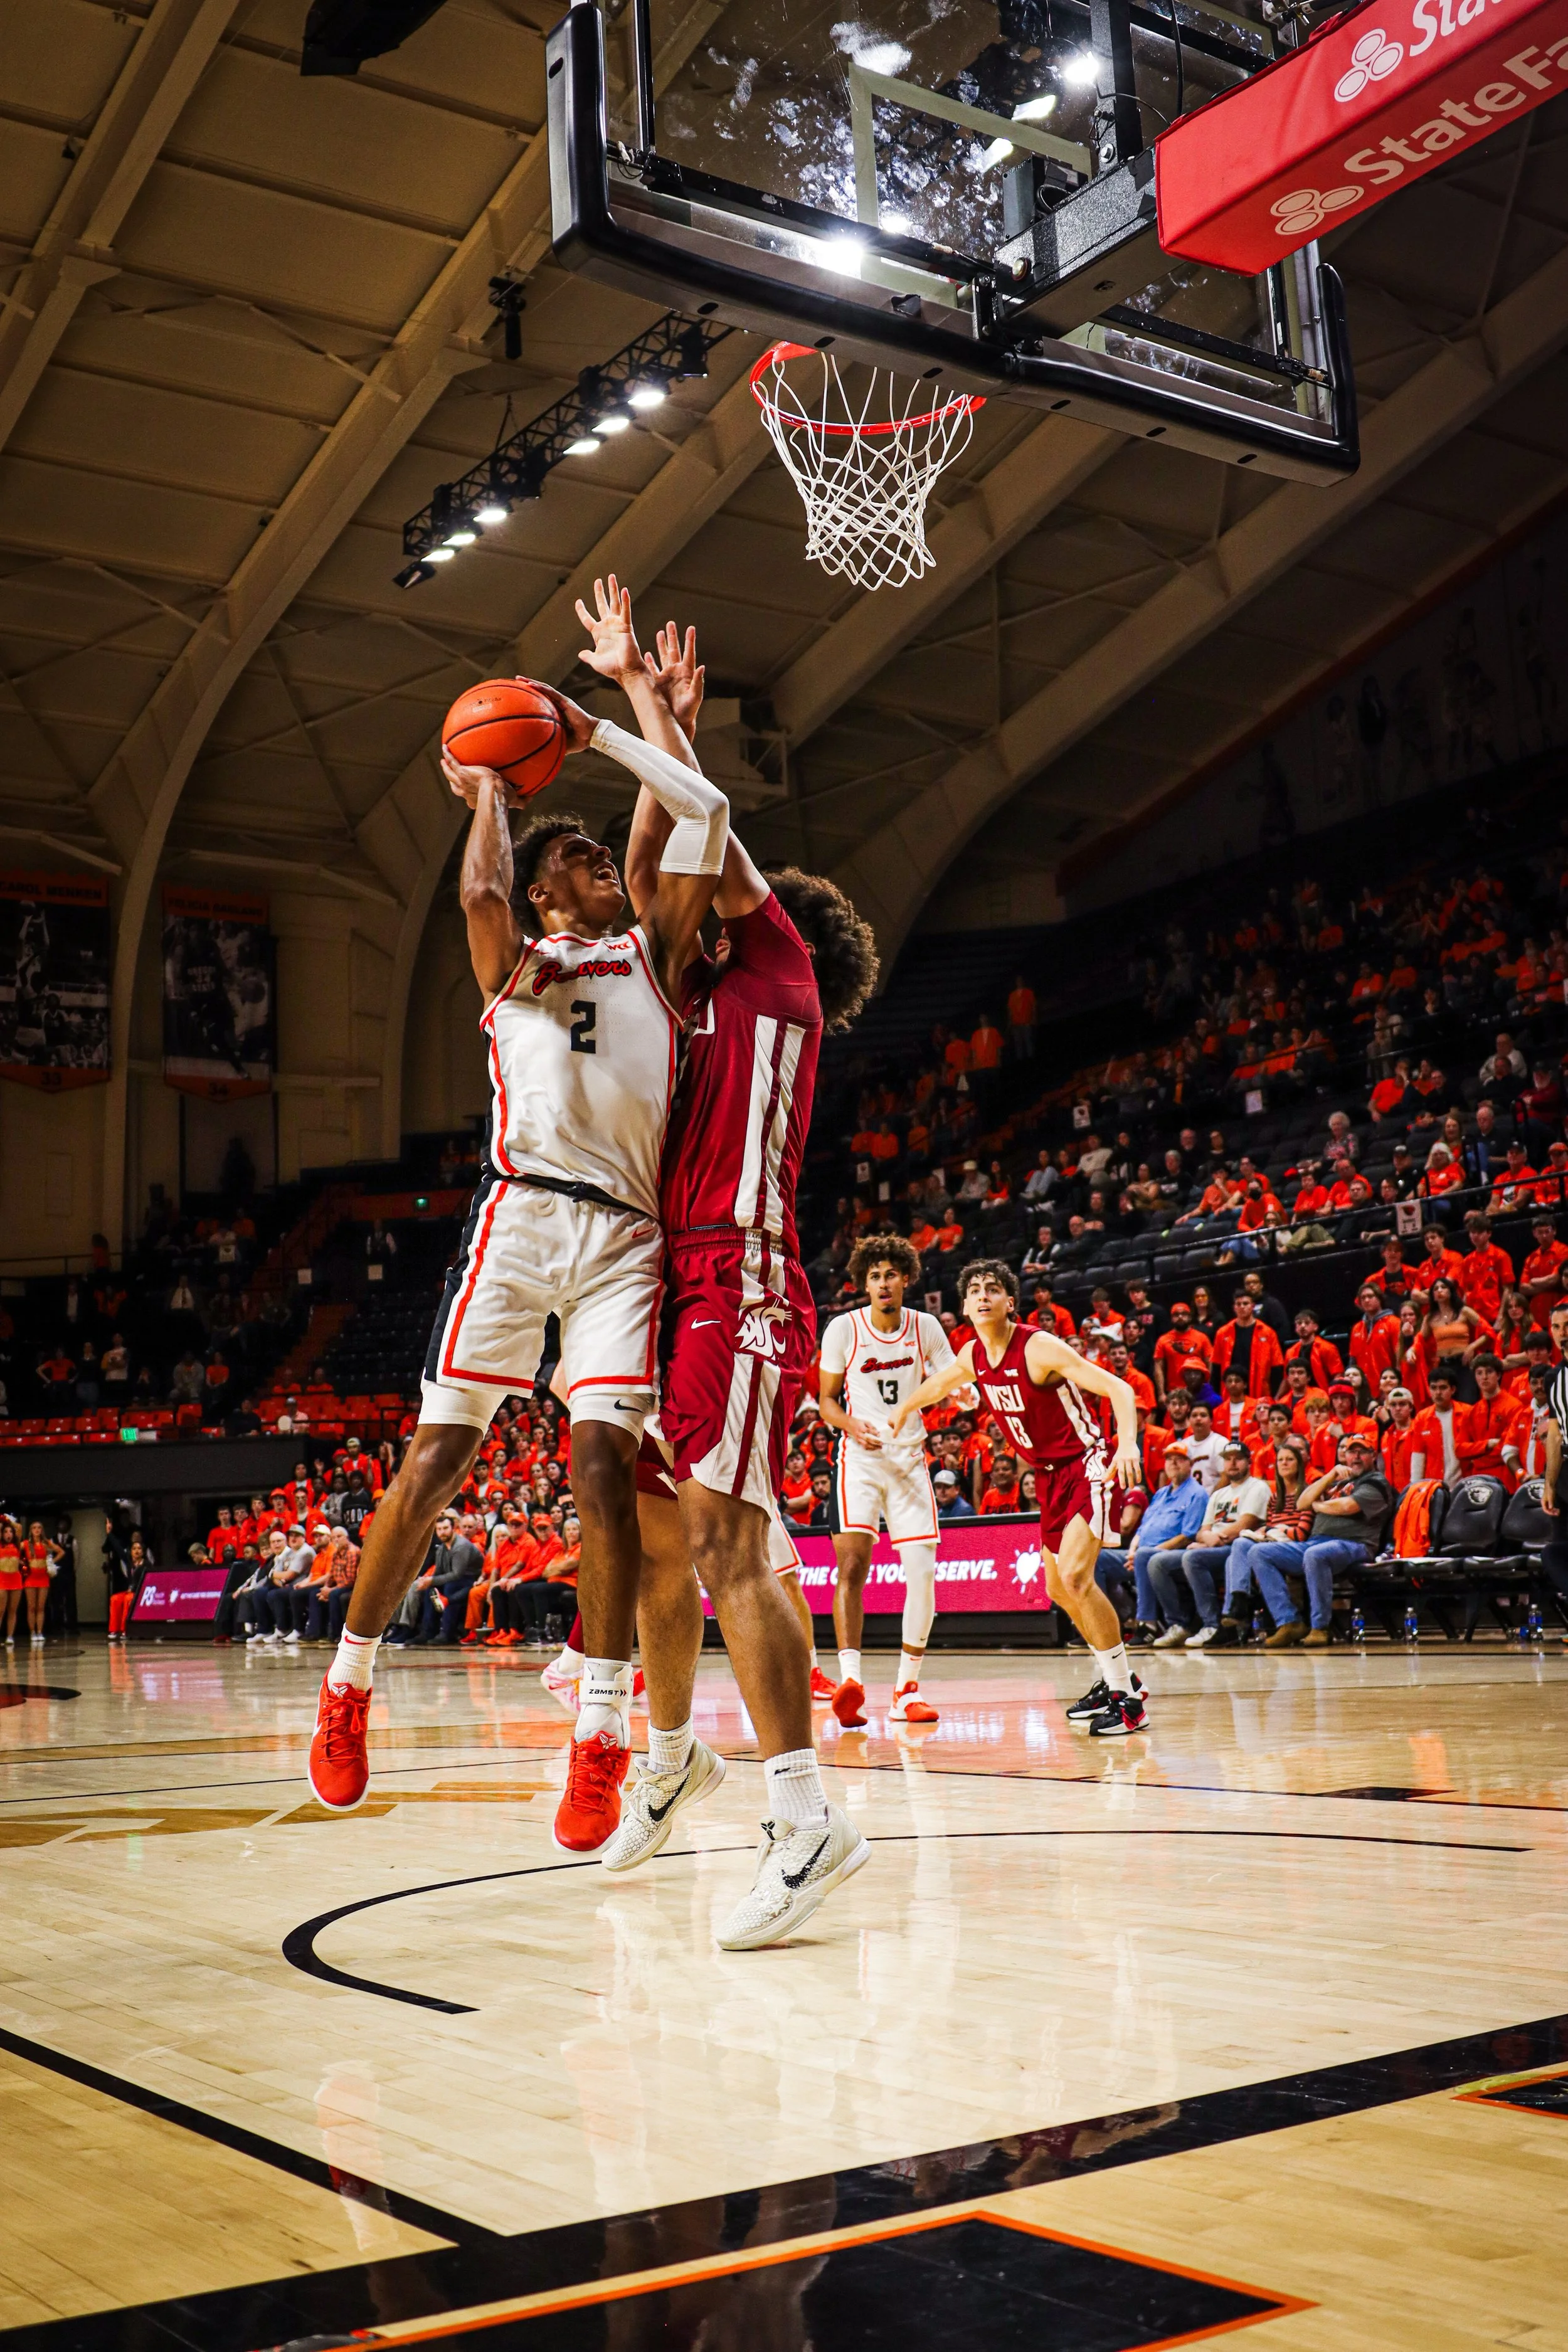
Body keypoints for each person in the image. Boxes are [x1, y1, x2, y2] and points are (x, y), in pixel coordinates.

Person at [307, 594, 731, 1838]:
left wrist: (636, 716)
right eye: (580, 862)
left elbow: (684, 815)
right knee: (436, 1459)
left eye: (607, 859)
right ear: (551, 896)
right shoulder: (520, 966)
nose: (603, 865)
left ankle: (601, 1734)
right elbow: (481, 894)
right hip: (521, 1220)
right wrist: (491, 787)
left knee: (601, 1472)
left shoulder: (651, 945)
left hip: (625, 1242)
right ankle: (347, 1688)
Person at [578, 593, 879, 1947]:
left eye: (712, 908)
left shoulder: (781, 973)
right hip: (665, 1275)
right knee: (649, 1541)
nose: (683, 916)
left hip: (742, 1275)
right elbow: (657, 866)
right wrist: (661, 730)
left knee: (724, 1542)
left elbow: (697, 821)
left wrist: (646, 711)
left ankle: (805, 1816)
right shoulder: (687, 992)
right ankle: (667, 1753)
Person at [892, 1258, 1145, 1735]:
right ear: (965, 1306)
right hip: (1048, 1477)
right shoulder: (971, 1356)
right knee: (1055, 1589)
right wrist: (903, 1409)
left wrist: (1127, 1442)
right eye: (975, 1290)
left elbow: (1117, 1388)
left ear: (1011, 1302)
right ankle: (1118, 1676)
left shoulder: (1039, 1346)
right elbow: (939, 1386)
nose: (983, 1295)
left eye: (994, 1289)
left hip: (1085, 1463)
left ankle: (1128, 1699)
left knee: (1074, 1576)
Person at [818, 1236, 955, 1728]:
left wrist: (959, 1396)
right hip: (859, 1458)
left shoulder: (927, 1328)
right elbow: (827, 1400)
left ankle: (906, 1690)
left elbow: (952, 1380)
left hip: (910, 1461)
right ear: (864, 1282)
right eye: (875, 1276)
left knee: (921, 1572)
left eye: (892, 1274)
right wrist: (853, 1426)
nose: (883, 1283)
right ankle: (850, 1680)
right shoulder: (843, 1329)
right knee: (852, 1564)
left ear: (907, 1280)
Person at [1246, 1433, 1394, 1646]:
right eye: (1352, 1452)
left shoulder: (1376, 1482)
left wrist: (1318, 1506)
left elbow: (1347, 1506)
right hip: (1316, 1543)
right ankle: (1289, 1622)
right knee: (1258, 1553)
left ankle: (1320, 1627)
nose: (1357, 1457)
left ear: (1374, 1456)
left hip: (1355, 1545)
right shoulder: (1339, 1482)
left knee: (1315, 1555)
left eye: (1363, 1452)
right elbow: (1302, 1502)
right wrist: (1331, 1474)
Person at [1148, 1443, 1269, 1648]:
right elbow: (1201, 1531)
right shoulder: (1218, 1494)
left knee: (1192, 1558)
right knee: (1157, 1562)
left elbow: (1246, 1524)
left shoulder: (1257, 1487)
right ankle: (1177, 1624)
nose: (1232, 1463)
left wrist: (1213, 1538)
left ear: (1249, 1461)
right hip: (1215, 1546)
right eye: (1228, 1458)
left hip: (1239, 1548)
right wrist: (1208, 1539)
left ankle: (1212, 1624)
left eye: (1238, 1458)